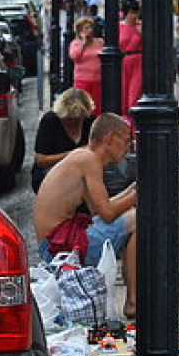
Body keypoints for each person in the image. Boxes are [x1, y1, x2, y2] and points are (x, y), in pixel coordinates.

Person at [34, 112, 139, 321]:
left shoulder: (83, 157)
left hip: (55, 244)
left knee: (132, 218)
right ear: (109, 138)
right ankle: (134, 301)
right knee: (138, 219)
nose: (128, 149)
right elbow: (108, 214)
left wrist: (132, 191)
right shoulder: (89, 159)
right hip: (60, 249)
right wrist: (136, 194)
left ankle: (133, 300)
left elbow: (98, 210)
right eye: (126, 142)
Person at [31, 87, 95, 192]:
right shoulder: (50, 121)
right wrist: (74, 154)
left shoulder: (89, 121)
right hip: (52, 172)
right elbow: (40, 160)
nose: (74, 123)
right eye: (70, 119)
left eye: (79, 119)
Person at [68, 16, 104, 114]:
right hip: (82, 80)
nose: (89, 30)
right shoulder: (75, 43)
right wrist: (83, 44)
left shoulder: (100, 42)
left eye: (90, 27)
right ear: (80, 30)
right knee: (82, 107)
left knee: (96, 108)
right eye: (86, 28)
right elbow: (74, 56)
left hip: (97, 80)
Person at [119, 0, 143, 122]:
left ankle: (133, 124)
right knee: (123, 94)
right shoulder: (119, 27)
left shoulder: (141, 27)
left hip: (138, 60)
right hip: (123, 61)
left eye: (136, 12)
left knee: (134, 94)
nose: (134, 16)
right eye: (131, 13)